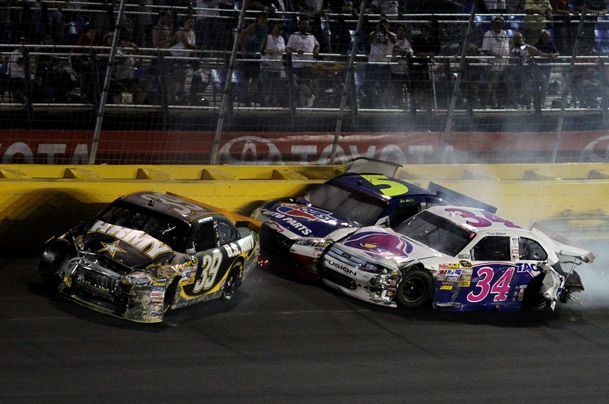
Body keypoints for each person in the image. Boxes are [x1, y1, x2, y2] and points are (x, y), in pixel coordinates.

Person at [286, 16, 320, 107]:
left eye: (307, 24)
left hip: (309, 64)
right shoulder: (294, 36)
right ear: (299, 25)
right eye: (303, 24)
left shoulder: (311, 36)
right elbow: (288, 49)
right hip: (298, 64)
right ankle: (310, 97)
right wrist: (296, 52)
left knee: (312, 82)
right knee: (300, 84)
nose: (305, 26)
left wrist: (316, 50)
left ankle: (308, 103)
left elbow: (317, 45)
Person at [239, 11, 269, 106]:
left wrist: (262, 49)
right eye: (261, 17)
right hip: (249, 53)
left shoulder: (266, 28)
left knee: (255, 77)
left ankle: (252, 96)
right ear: (258, 18)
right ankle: (246, 96)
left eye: (264, 18)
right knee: (247, 77)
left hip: (257, 54)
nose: (262, 19)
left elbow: (264, 40)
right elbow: (242, 34)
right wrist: (243, 48)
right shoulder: (254, 26)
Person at [365, 17, 396, 108]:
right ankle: (371, 103)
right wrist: (377, 31)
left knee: (384, 85)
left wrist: (386, 31)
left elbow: (394, 41)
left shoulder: (392, 35)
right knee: (369, 84)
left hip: (384, 63)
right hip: (373, 63)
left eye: (385, 23)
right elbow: (369, 40)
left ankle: (382, 104)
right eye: (382, 23)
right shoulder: (373, 34)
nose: (383, 25)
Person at [481, 16, 510, 108]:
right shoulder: (488, 33)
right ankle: (487, 104)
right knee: (493, 85)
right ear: (493, 24)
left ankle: (500, 103)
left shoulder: (504, 33)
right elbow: (485, 49)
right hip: (492, 65)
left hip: (504, 64)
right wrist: (495, 55)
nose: (498, 25)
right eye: (496, 23)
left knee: (502, 85)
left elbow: (507, 47)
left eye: (500, 23)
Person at [411, 21, 440, 111]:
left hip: (431, 65)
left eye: (427, 30)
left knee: (429, 86)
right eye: (424, 30)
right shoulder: (417, 40)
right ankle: (418, 104)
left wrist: (426, 54)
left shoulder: (432, 40)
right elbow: (416, 52)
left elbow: (435, 52)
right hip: (419, 66)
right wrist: (426, 54)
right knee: (419, 86)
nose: (426, 32)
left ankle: (429, 105)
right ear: (421, 31)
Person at [260, 23, 286, 106]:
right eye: (275, 30)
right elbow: (262, 50)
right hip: (267, 64)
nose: (277, 32)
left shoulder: (281, 38)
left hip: (277, 65)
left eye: (278, 30)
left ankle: (275, 103)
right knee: (267, 83)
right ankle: (266, 102)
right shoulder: (268, 37)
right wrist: (267, 51)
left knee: (276, 84)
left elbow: (283, 50)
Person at [533, 29, 559, 107]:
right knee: (542, 82)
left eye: (548, 37)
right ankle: (538, 101)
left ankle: (542, 102)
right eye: (544, 37)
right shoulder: (537, 44)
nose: (546, 39)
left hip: (547, 67)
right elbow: (537, 53)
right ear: (541, 37)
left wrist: (554, 55)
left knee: (545, 85)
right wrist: (548, 55)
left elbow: (557, 52)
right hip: (538, 67)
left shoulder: (550, 44)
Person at [390, 24, 413, 108]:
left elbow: (409, 52)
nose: (401, 32)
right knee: (396, 88)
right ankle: (395, 105)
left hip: (404, 69)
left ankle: (404, 106)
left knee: (405, 88)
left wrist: (402, 50)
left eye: (403, 30)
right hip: (394, 69)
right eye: (399, 30)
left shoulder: (406, 42)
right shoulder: (392, 40)